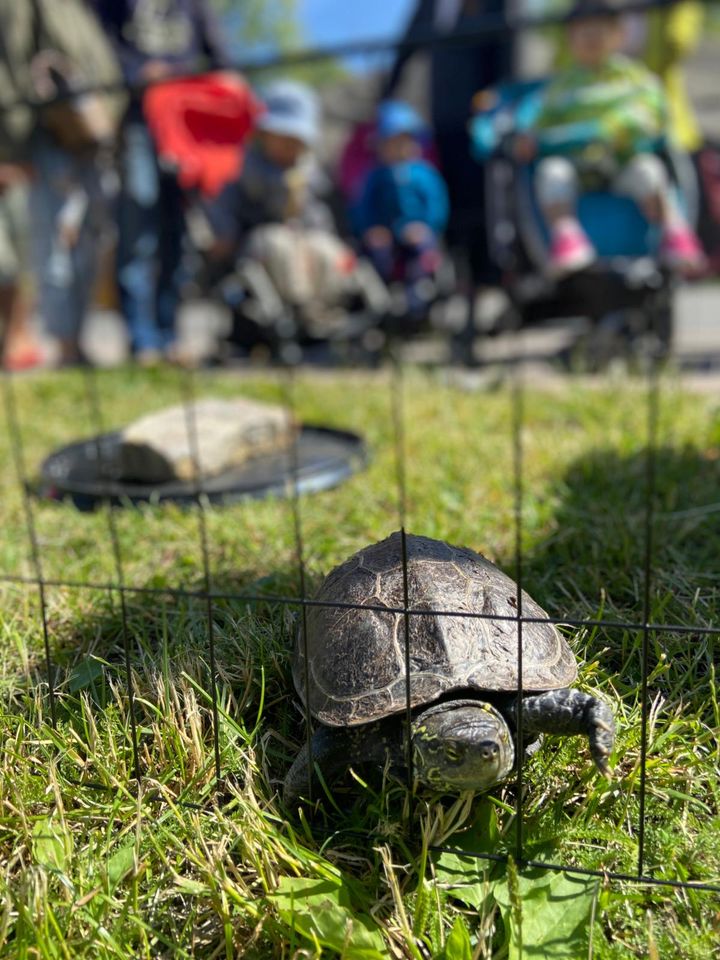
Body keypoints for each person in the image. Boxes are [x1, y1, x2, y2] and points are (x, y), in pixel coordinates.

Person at [518, 0, 705, 277]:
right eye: (583, 32)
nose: (591, 38)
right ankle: (566, 235)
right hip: (577, 169)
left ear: (619, 35)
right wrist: (527, 138)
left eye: (600, 31)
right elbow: (535, 118)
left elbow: (653, 109)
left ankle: (672, 230)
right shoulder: (560, 87)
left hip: (622, 161)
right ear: (570, 39)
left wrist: (615, 128)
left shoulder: (633, 78)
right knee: (552, 174)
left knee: (649, 171)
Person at [93, 0, 230, 365]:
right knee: (138, 217)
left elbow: (219, 55)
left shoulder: (193, 6)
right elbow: (97, 44)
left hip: (186, 123)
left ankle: (170, 336)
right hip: (137, 118)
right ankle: (143, 341)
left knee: (177, 228)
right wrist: (136, 72)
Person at [0, 0, 124, 367]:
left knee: (91, 242)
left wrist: (107, 119)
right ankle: (65, 345)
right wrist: (13, 144)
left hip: (90, 135)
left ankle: (74, 340)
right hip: (47, 136)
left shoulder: (81, 8)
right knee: (51, 245)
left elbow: (100, 63)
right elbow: (12, 58)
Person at [206, 80, 358, 338]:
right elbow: (224, 206)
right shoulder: (245, 170)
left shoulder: (309, 175)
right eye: (284, 139)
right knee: (278, 244)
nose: (290, 148)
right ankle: (297, 309)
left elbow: (318, 214)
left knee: (326, 249)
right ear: (264, 135)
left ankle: (325, 307)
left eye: (296, 142)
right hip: (258, 242)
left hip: (303, 236)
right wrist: (225, 233)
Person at [384, 0, 514, 284]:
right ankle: (461, 280)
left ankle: (492, 279)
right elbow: (405, 48)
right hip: (442, 122)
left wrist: (501, 100)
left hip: (484, 126)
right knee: (452, 204)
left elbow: (508, 51)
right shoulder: (429, 5)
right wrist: (384, 100)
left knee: (486, 202)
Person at [354, 100, 449, 316]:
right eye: (391, 143)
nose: (397, 149)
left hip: (418, 233)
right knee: (377, 255)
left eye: (402, 142)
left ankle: (419, 294)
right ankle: (382, 302)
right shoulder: (375, 176)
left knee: (421, 253)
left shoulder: (425, 174)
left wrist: (427, 227)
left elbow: (437, 204)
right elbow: (364, 208)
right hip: (387, 233)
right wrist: (371, 229)